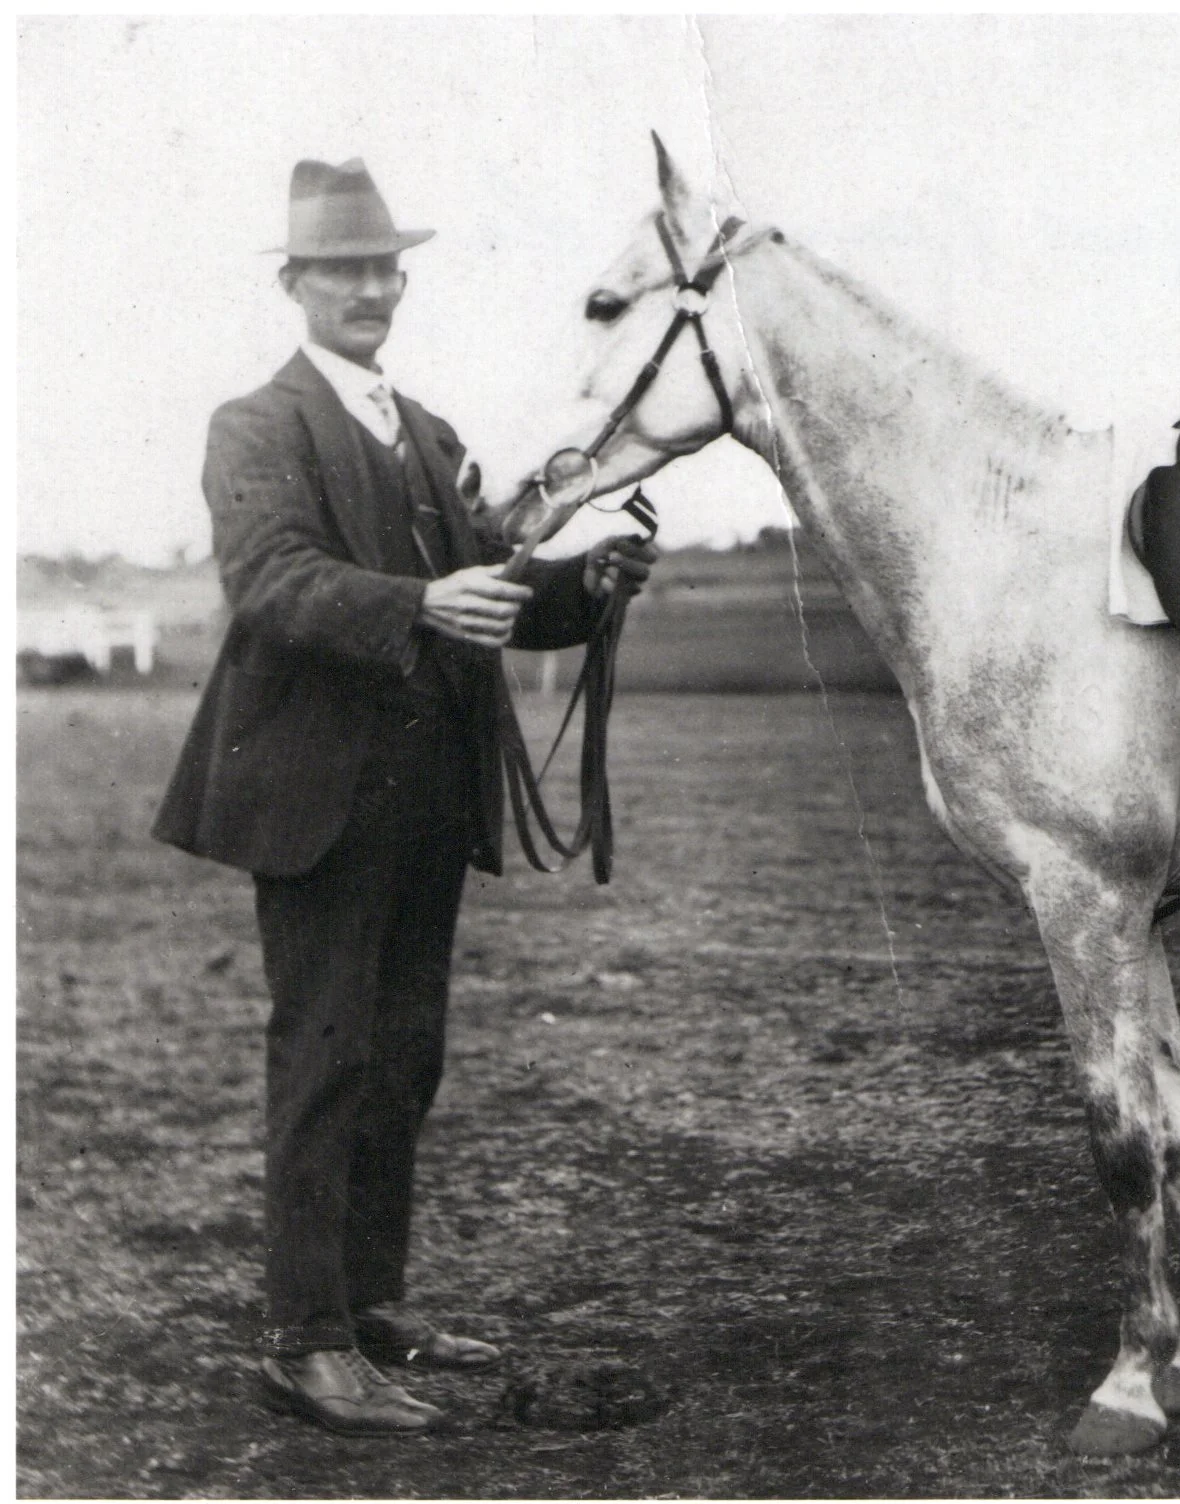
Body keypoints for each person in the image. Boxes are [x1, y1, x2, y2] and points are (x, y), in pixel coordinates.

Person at [153, 157, 657, 1436]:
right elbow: (272, 581)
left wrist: (581, 586)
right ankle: (301, 1340)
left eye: (384, 268)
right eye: (343, 270)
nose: (370, 288)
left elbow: (482, 596)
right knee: (323, 1056)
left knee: (402, 1058)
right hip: (317, 797)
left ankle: (368, 1306)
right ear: (295, 286)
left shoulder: (424, 433)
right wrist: (421, 603)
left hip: (430, 794)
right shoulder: (256, 427)